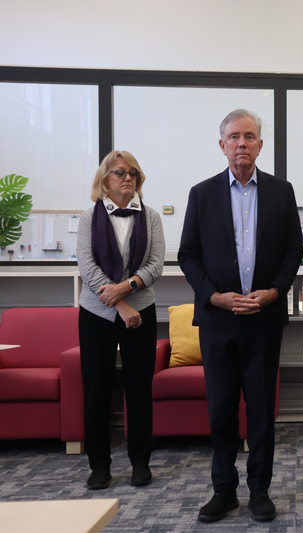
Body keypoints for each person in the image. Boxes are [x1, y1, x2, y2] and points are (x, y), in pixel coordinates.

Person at [178, 109, 303, 523]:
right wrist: (214, 297)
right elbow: (188, 255)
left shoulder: (281, 192)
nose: (242, 143)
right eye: (234, 137)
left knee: (262, 410)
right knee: (221, 410)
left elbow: (292, 252)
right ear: (222, 145)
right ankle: (223, 490)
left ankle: (260, 491)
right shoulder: (202, 193)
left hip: (263, 320)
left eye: (249, 136)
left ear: (260, 144)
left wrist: (274, 292)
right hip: (218, 320)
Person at [76, 150, 165, 490]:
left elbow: (155, 265)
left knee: (139, 388)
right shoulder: (88, 217)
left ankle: (140, 462)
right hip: (97, 311)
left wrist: (127, 291)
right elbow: (87, 266)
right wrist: (120, 306)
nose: (127, 178)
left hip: (142, 309)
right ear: (104, 180)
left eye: (133, 174)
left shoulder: (152, 217)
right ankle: (99, 465)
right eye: (119, 173)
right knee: (96, 388)